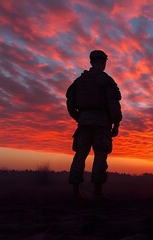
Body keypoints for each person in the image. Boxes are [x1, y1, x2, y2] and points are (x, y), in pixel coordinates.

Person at [66, 50, 122, 199]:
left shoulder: (79, 81)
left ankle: (75, 192)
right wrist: (116, 123)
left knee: (80, 155)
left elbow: (70, 103)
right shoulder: (106, 80)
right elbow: (113, 104)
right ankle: (98, 192)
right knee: (100, 156)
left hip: (83, 123)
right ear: (103, 62)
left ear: (91, 62)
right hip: (101, 123)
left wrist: (80, 118)